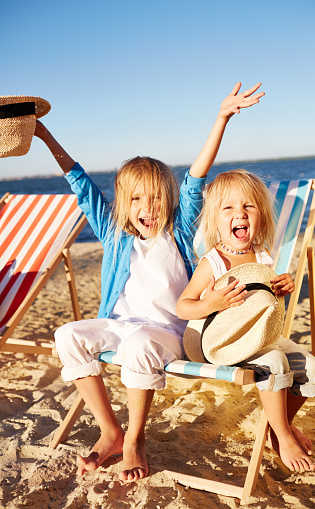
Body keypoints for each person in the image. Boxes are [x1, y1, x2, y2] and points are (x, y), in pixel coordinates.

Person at [34, 83, 265, 482]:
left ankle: (134, 440)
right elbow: (79, 182)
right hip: (119, 325)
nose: (147, 208)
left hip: (167, 332)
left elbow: (197, 175)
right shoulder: (115, 235)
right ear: (125, 204)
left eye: (156, 198)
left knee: (141, 344)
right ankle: (110, 432)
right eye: (137, 200)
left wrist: (222, 117)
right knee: (67, 334)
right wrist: (42, 135)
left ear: (170, 201)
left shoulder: (177, 230)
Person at [176, 169, 315, 473]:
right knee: (276, 363)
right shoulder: (213, 262)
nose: (239, 214)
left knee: (312, 367)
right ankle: (282, 435)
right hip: (220, 342)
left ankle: (279, 426)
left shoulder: (263, 257)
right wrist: (210, 302)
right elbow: (182, 307)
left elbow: (266, 303)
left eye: (248, 206)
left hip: (257, 335)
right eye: (228, 207)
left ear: (261, 217)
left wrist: (282, 288)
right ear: (215, 220)